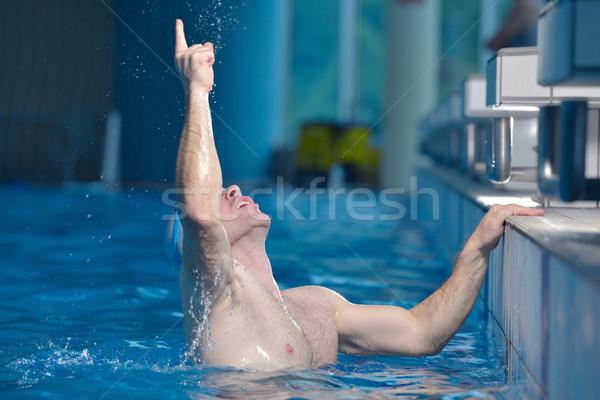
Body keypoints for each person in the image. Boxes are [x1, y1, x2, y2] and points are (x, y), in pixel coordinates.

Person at [172, 19, 544, 370]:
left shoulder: (318, 303)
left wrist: (477, 248)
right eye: (220, 192)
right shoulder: (217, 293)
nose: (232, 188)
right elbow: (200, 216)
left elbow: (422, 333)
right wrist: (197, 89)